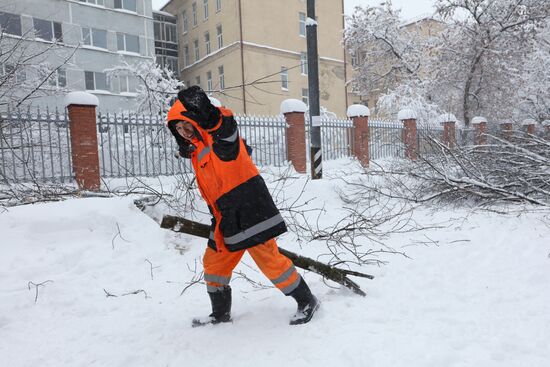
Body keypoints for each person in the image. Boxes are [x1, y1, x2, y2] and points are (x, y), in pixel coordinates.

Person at [166, 86, 319, 326]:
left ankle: (307, 301)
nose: (184, 132)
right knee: (214, 263)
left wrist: (212, 118)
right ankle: (220, 313)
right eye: (179, 129)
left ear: (198, 121)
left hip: (249, 208)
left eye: (187, 125)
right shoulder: (198, 152)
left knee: (270, 261)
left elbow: (225, 129)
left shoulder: (222, 142)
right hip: (225, 215)